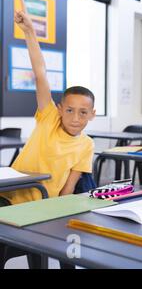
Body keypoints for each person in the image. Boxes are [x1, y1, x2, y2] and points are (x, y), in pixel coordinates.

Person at [0, 11, 96, 207]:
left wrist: (56, 212)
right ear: (60, 109)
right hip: (9, 197)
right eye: (69, 110)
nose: (75, 118)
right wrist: (29, 32)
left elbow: (69, 186)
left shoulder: (86, 145)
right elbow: (40, 74)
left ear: (92, 115)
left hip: (42, 204)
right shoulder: (49, 118)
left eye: (83, 112)